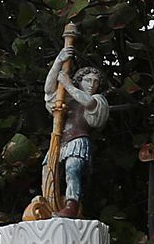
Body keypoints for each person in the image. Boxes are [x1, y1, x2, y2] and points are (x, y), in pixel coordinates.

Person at [42, 46, 109, 218]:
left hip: (78, 140)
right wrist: (58, 61)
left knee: (73, 169)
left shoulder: (96, 100)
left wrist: (67, 84)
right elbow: (49, 90)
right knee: (48, 170)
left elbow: (87, 103)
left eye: (95, 82)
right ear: (80, 80)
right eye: (88, 80)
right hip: (58, 141)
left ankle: (72, 204)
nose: (92, 84)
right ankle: (50, 201)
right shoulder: (66, 98)